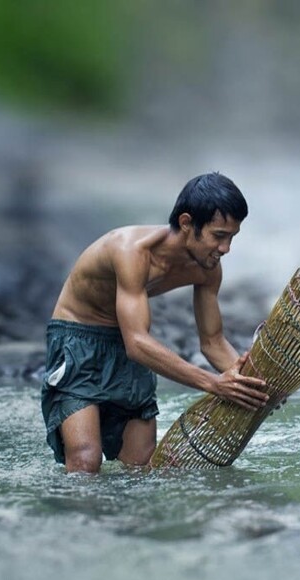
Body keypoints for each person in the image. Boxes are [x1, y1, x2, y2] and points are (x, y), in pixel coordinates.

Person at [40, 172, 269, 473]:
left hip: (129, 341)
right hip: (79, 339)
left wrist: (253, 386)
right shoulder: (131, 251)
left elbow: (212, 342)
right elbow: (137, 344)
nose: (226, 248)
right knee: (85, 461)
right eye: (218, 235)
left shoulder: (207, 268)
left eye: (232, 237)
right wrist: (215, 384)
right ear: (187, 223)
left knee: (141, 466)